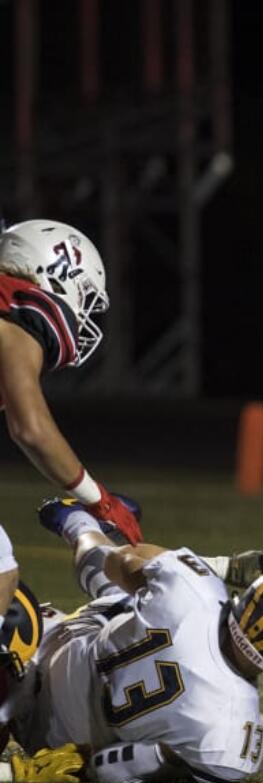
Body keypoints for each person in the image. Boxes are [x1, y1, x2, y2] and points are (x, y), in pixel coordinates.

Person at [0, 498, 263, 783]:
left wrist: (211, 569)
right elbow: (110, 767)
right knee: (130, 599)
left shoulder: (196, 591)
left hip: (37, 652)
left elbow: (118, 563)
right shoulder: (229, 740)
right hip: (51, 740)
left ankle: (74, 518)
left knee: (117, 584)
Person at [0, 219, 143, 619]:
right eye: (83, 295)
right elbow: (30, 428)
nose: (81, 314)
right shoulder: (20, 307)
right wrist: (101, 501)